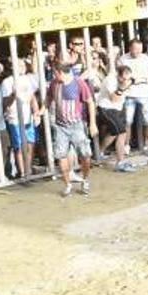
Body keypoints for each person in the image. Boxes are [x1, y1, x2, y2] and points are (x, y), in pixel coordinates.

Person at [46, 62, 97, 196]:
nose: (54, 76)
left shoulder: (78, 83)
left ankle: (85, 180)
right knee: (61, 155)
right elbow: (49, 97)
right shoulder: (54, 84)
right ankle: (68, 184)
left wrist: (92, 123)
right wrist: (42, 109)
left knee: (85, 154)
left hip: (76, 124)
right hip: (60, 125)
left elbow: (90, 102)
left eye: (55, 73)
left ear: (60, 72)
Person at [118, 38, 148, 157]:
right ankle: (126, 145)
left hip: (144, 94)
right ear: (129, 48)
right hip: (129, 94)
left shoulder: (147, 60)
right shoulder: (123, 59)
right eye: (134, 48)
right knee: (127, 121)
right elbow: (118, 77)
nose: (137, 51)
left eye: (139, 49)